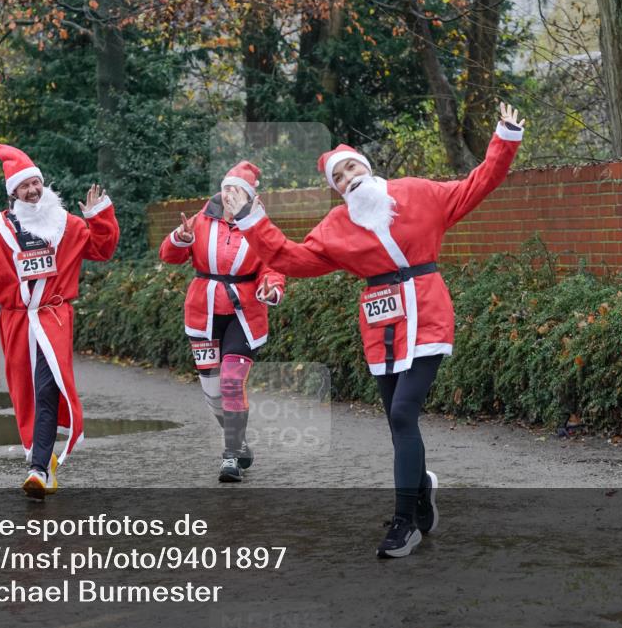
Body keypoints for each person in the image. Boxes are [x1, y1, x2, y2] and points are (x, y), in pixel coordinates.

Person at [234, 103, 525, 556]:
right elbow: (290, 258)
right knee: (397, 422)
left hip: (426, 313)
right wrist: (253, 219)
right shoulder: (335, 226)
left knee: (405, 414)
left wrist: (504, 137)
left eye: (352, 169)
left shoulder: (418, 192)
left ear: (367, 168)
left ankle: (404, 523)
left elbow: (477, 184)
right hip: (380, 327)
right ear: (337, 191)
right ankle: (421, 492)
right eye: (339, 179)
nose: (348, 179)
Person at [0, 140, 119, 499]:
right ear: (13, 193)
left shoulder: (67, 225)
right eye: (24, 186)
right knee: (25, 392)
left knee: (47, 387)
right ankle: (42, 460)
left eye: (35, 183)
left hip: (53, 317)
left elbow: (103, 249)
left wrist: (99, 216)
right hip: (16, 322)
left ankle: (38, 469)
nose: (32, 190)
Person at [159, 161, 286, 483]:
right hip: (203, 314)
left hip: (244, 315)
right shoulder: (200, 221)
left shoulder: (260, 227)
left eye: (238, 191)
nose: (230, 195)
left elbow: (274, 266)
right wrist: (180, 238)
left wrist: (272, 289)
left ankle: (230, 455)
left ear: (249, 198)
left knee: (230, 381)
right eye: (227, 188)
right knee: (213, 391)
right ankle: (239, 440)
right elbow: (168, 256)